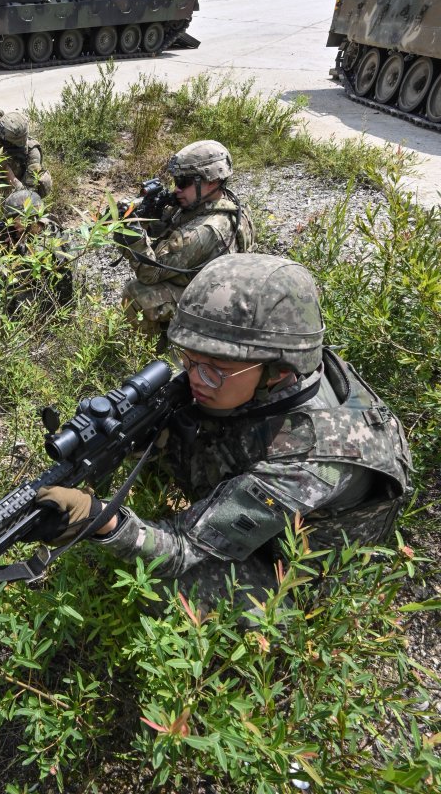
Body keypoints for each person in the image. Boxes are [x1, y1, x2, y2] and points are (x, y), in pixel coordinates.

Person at [29, 254, 412, 612]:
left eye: (214, 368)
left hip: (298, 568)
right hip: (268, 488)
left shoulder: (311, 460)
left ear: (278, 368)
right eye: (188, 358)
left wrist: (101, 520)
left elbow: (182, 547)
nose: (194, 377)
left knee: (160, 583)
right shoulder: (278, 375)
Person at [117, 140, 254, 347]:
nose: (177, 189)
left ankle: (151, 357)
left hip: (216, 305)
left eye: (184, 182)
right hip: (224, 286)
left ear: (211, 181)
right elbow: (174, 225)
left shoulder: (205, 230)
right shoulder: (227, 202)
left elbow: (149, 273)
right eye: (176, 180)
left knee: (137, 295)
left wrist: (133, 236)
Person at [0, 189, 73, 314]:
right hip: (61, 301)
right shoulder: (52, 228)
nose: (13, 225)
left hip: (49, 311)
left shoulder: (44, 246)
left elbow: (9, 278)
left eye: (15, 219)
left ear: (30, 217)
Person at [0, 111, 52, 198]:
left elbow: (28, 192)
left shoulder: (32, 153)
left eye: (4, 140)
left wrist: (6, 168)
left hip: (18, 191)